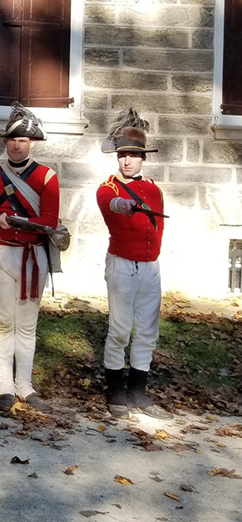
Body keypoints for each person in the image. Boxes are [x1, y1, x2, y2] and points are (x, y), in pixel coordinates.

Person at [0, 103, 58, 413]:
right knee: (5, 322)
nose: (17, 145)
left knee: (28, 325)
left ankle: (25, 385)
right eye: (12, 140)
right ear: (5, 142)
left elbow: (49, 220)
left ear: (32, 143)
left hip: (33, 257)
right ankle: (5, 384)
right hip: (1, 252)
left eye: (23, 140)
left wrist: (17, 221)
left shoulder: (47, 176)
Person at [96, 109, 171, 420]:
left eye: (133, 155)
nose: (127, 161)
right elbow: (108, 203)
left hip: (150, 266)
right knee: (120, 330)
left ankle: (138, 391)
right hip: (122, 264)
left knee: (148, 331)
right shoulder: (109, 187)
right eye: (122, 155)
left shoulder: (153, 188)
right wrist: (122, 205)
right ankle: (116, 391)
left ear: (143, 158)